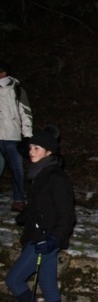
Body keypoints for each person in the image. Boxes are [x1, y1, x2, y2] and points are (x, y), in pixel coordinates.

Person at [6, 126, 76, 302]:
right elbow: (43, 207)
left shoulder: (55, 177)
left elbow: (67, 214)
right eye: (30, 148)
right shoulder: (38, 174)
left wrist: (54, 239)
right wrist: (27, 216)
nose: (31, 151)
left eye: (37, 148)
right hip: (39, 236)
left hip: (45, 239)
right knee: (48, 285)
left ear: (49, 152)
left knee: (14, 280)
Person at [0, 61, 34, 212]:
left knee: (17, 170)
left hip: (12, 137)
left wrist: (27, 136)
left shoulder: (17, 89)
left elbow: (25, 113)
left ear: (5, 72)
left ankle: (18, 200)